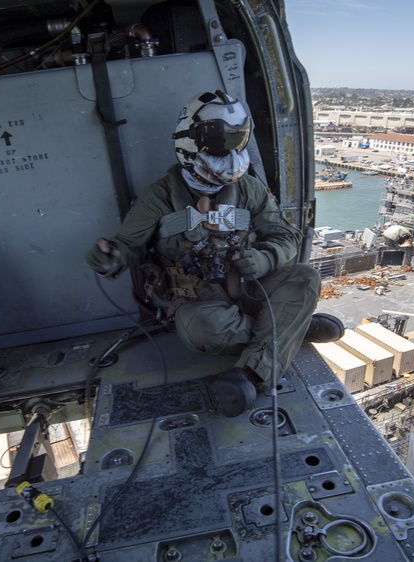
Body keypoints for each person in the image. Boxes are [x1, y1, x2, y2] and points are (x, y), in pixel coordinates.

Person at [86, 91, 344, 418]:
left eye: (238, 140)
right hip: (201, 303)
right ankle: (290, 329)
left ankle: (254, 371)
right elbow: (129, 245)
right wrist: (110, 257)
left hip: (251, 287)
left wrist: (266, 259)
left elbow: (285, 235)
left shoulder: (248, 189)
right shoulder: (158, 198)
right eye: (225, 142)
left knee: (306, 277)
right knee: (202, 331)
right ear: (191, 145)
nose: (233, 152)